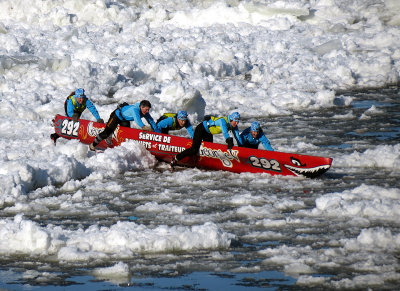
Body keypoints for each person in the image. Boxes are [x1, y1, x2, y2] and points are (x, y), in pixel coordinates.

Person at [170, 112, 242, 168]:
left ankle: (201, 163)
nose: (237, 123)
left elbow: (238, 137)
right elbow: (224, 131)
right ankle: (176, 158)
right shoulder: (223, 121)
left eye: (238, 121)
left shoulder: (234, 126)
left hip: (208, 132)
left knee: (208, 150)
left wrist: (242, 147)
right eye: (235, 121)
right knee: (194, 149)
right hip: (201, 129)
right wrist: (228, 139)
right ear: (231, 119)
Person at [89, 100, 160, 150]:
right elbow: (137, 119)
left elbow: (151, 121)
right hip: (116, 116)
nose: (147, 112)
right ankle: (93, 145)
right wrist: (143, 127)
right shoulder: (135, 109)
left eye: (148, 110)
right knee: (106, 133)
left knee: (127, 135)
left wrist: (158, 133)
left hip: (124, 120)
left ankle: (121, 148)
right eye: (146, 109)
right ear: (141, 107)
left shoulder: (145, 112)